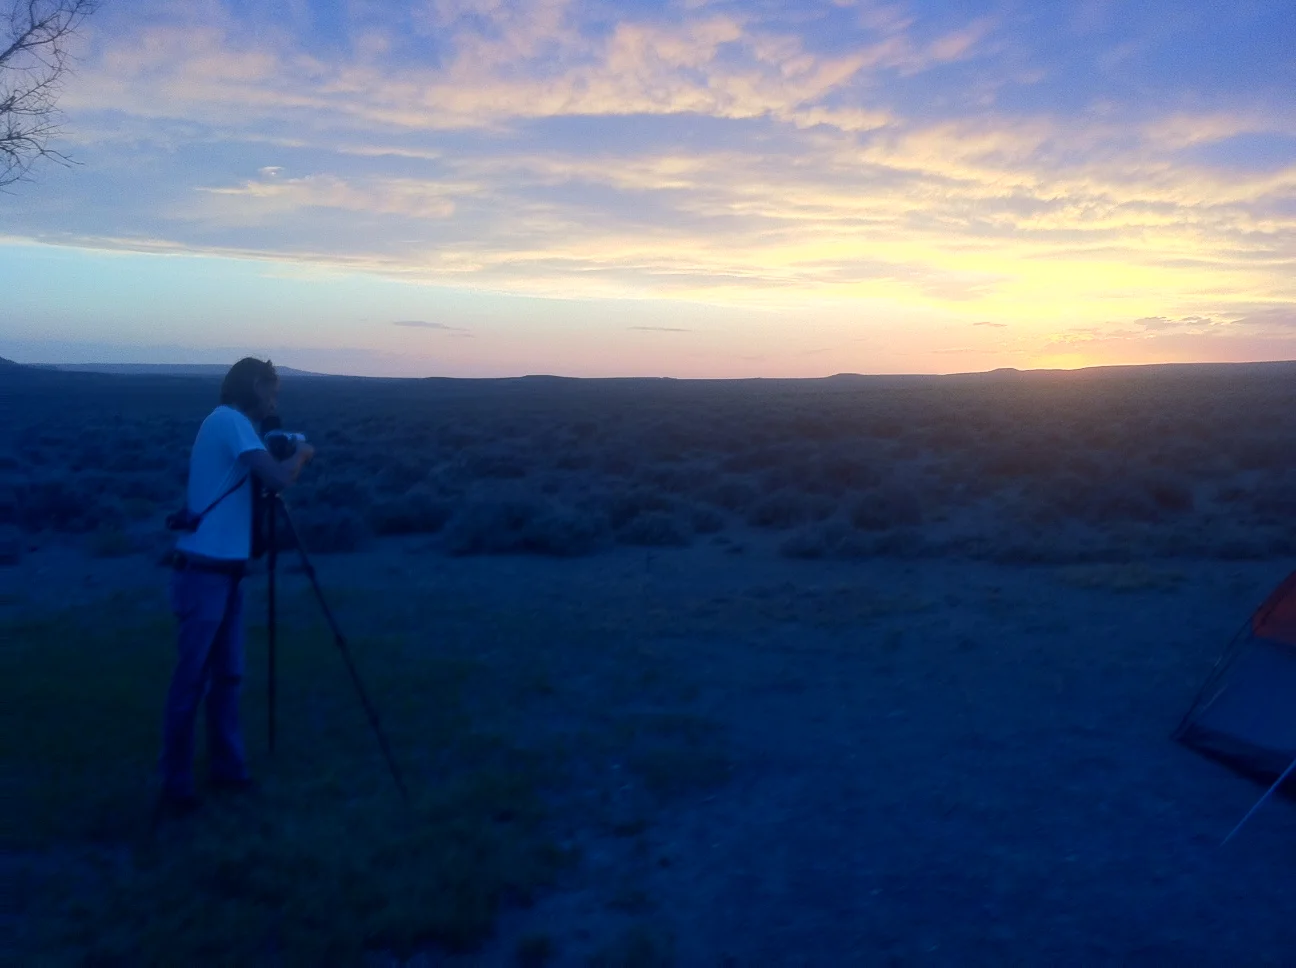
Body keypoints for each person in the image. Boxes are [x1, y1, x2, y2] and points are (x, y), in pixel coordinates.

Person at [158, 357, 314, 814]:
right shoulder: (228, 421)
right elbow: (278, 479)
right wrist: (301, 454)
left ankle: (227, 769)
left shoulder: (229, 425)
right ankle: (176, 784)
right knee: (192, 680)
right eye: (272, 392)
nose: (274, 401)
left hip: (225, 572)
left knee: (227, 676)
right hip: (204, 573)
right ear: (254, 387)